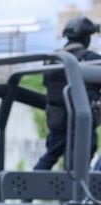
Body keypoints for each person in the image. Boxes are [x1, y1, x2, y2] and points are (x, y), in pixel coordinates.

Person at [35, 15, 101, 171]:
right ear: (85, 37)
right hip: (82, 119)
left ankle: (23, 194)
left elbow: (47, 84)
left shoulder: (53, 60)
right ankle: (75, 195)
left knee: (49, 157)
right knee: (81, 162)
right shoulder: (92, 59)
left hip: (57, 119)